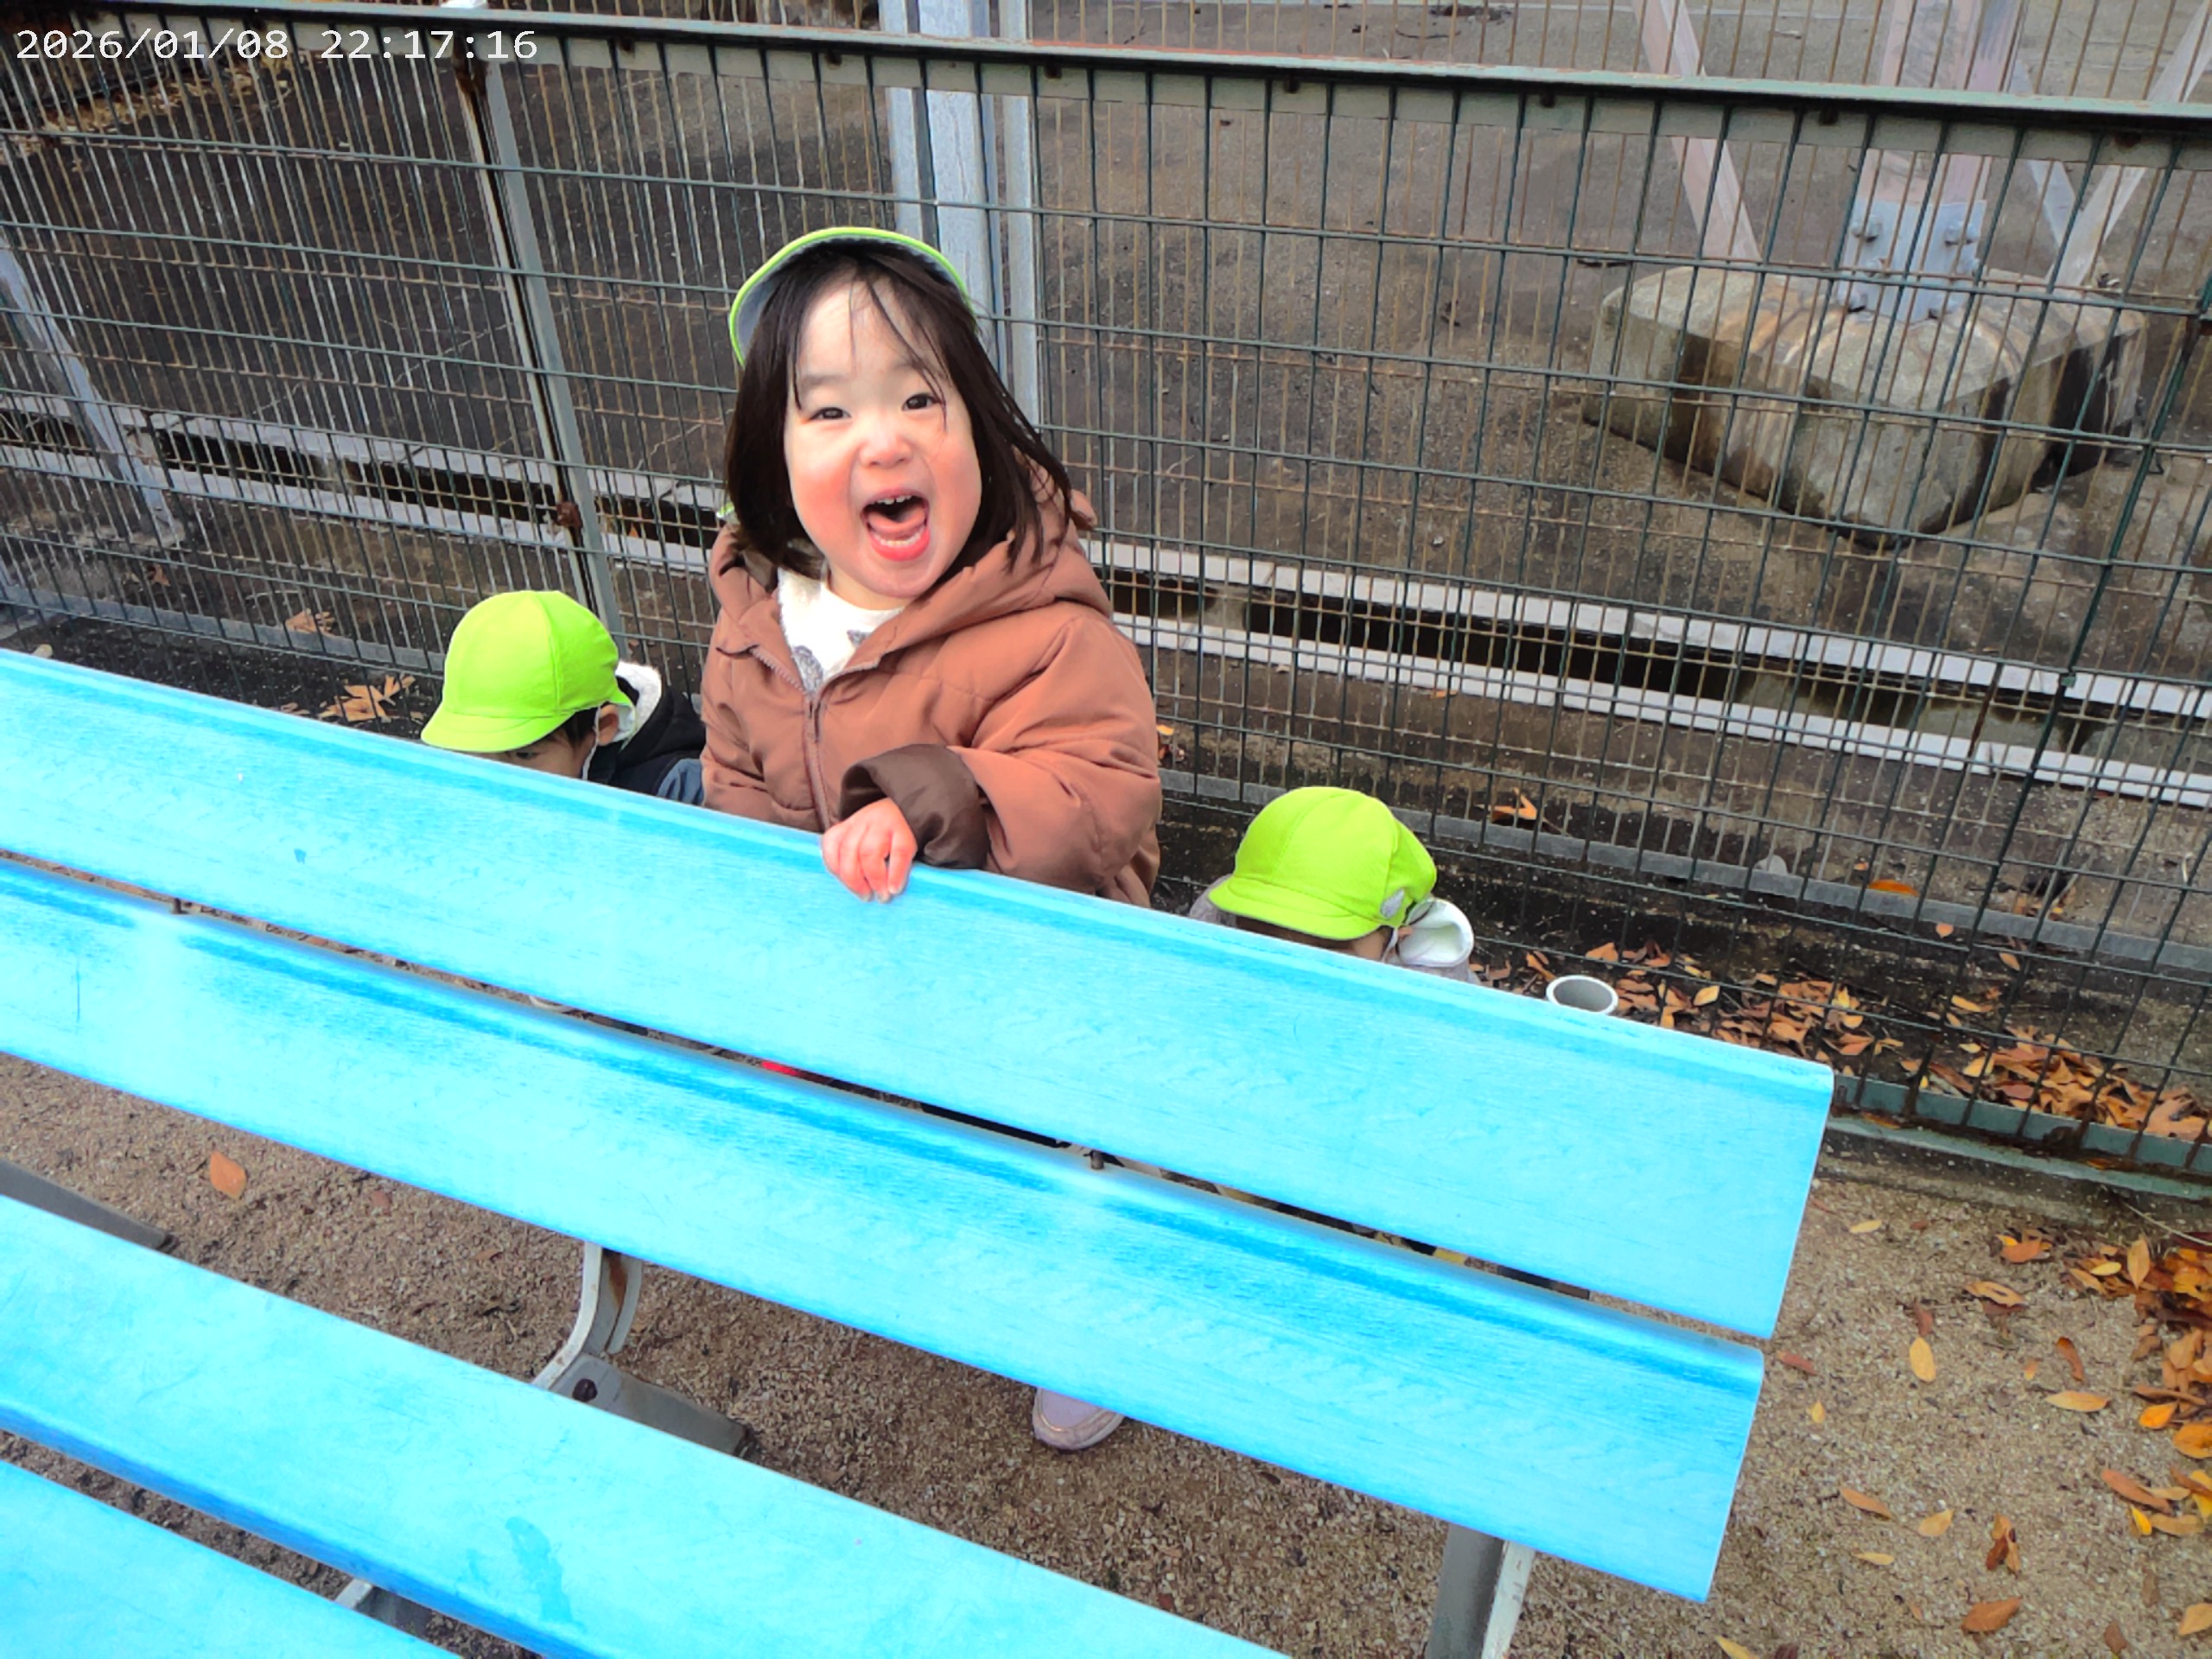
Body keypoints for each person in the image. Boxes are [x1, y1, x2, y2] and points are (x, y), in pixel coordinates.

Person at [700, 226, 1160, 906]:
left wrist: (935, 801)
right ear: (777, 457)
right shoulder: (754, 627)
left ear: (979, 429)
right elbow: (733, 795)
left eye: (919, 400)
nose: (885, 442)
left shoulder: (1049, 631)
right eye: (830, 411)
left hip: (1027, 973)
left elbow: (1096, 800)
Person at [1028, 788, 1478, 1452]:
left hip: (1351, 1173)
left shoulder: (1439, 1004)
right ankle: (1129, 1294)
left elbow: (1442, 1153)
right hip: (1235, 1141)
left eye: (1325, 941)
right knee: (1129, 1123)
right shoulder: (1218, 927)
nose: (1289, 960)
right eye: (1265, 929)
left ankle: (1324, 1314)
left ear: (1402, 937)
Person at [421, 590, 708, 804]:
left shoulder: (676, 790)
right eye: (475, 751)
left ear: (604, 726)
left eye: (524, 755)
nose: (499, 782)